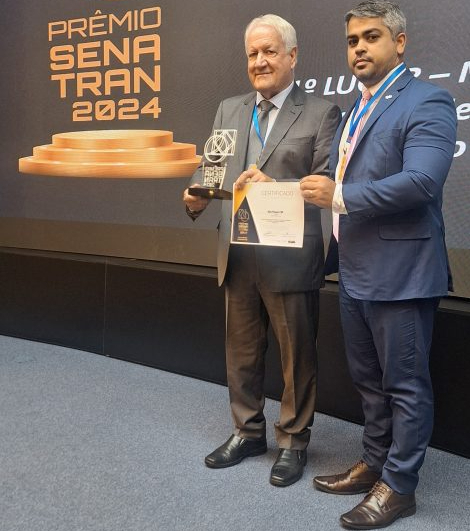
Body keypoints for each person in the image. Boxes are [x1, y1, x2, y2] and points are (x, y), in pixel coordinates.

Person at [300, 1, 457, 528]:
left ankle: (400, 486)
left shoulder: (428, 99)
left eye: (371, 37)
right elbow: (333, 180)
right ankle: (374, 462)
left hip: (403, 272)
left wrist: (340, 196)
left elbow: (422, 181)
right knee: (368, 381)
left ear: (400, 42)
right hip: (355, 269)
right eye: (352, 40)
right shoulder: (355, 109)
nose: (360, 48)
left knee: (405, 386)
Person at [183, 14, 341, 487]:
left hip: (290, 257)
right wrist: (196, 193)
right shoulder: (228, 109)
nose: (260, 61)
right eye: (252, 53)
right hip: (237, 254)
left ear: (292, 55)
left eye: (269, 51)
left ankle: (293, 441)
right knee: (241, 354)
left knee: (297, 359)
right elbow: (210, 170)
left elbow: (326, 185)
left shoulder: (322, 113)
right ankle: (247, 432)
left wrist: (275, 186)